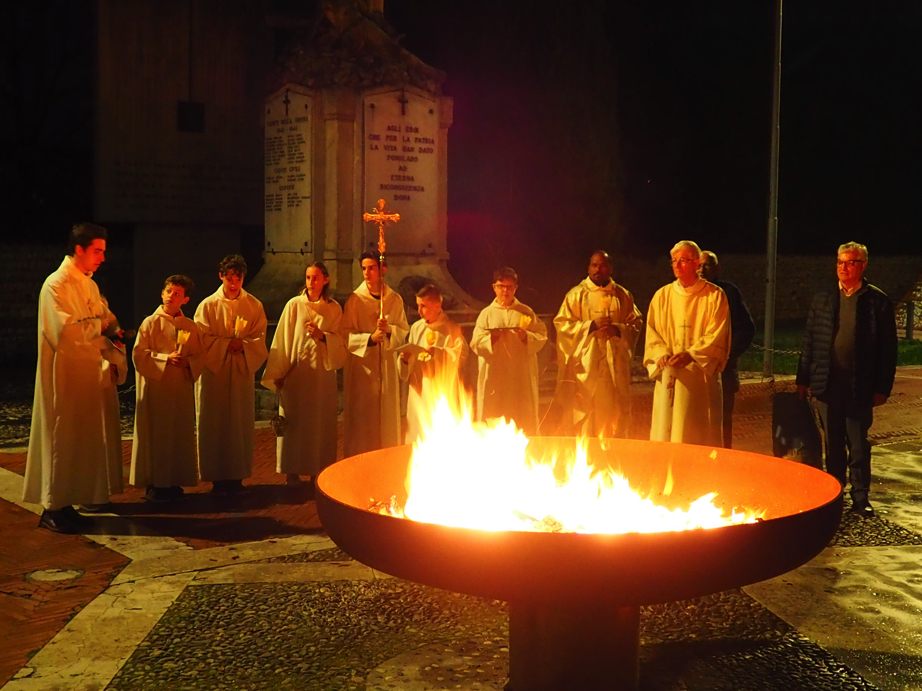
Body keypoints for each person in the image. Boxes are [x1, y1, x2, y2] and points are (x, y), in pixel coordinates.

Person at [796, 242, 897, 518]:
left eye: (850, 262)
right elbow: (810, 340)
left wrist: (882, 387)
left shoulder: (876, 301)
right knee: (833, 444)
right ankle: (835, 494)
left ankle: (861, 497)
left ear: (863, 266)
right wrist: (803, 378)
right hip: (827, 383)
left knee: (858, 445)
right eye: (840, 262)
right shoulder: (824, 298)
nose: (843, 267)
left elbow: (888, 349)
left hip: (860, 386)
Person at [23, 223, 113, 533]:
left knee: (79, 439)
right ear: (79, 249)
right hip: (62, 374)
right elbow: (62, 331)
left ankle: (67, 501)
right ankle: (52, 507)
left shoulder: (88, 284)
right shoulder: (55, 285)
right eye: (97, 251)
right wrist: (97, 327)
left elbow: (100, 317)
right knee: (60, 436)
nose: (102, 257)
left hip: (85, 371)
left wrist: (108, 333)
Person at [262, 262, 347, 486]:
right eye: (308, 277)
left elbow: (341, 341)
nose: (311, 282)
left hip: (321, 377)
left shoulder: (333, 309)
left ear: (326, 280)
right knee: (295, 422)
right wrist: (279, 371)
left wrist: (323, 336)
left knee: (318, 424)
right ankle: (292, 470)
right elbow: (282, 338)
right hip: (296, 376)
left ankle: (317, 469)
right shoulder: (294, 305)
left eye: (316, 278)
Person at [195, 255, 268, 495]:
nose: (233, 283)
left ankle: (236, 476)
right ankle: (216, 477)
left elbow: (259, 337)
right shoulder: (207, 306)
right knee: (214, 422)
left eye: (238, 278)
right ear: (221, 276)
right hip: (214, 372)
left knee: (238, 422)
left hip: (239, 370)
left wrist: (244, 345)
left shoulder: (253, 305)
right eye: (229, 278)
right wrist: (226, 344)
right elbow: (201, 337)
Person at [644, 241, 730, 446]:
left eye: (683, 260)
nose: (677, 265)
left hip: (699, 380)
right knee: (668, 433)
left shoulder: (714, 296)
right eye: (674, 261)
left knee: (698, 436)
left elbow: (717, 333)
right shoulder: (662, 296)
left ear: (696, 263)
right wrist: (661, 353)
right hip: (669, 376)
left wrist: (691, 355)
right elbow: (652, 332)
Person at [553, 251, 643, 439]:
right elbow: (562, 326)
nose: (597, 270)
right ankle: (584, 452)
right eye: (594, 265)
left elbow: (635, 324)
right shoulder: (576, 295)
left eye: (602, 266)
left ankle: (609, 451)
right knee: (585, 416)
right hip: (585, 368)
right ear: (588, 268)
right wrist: (590, 326)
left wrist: (617, 329)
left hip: (612, 369)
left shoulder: (622, 295)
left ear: (610, 269)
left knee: (611, 415)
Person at [131, 275, 204, 502]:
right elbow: (139, 355)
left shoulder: (189, 326)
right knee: (157, 434)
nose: (172, 296)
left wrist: (188, 362)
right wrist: (164, 359)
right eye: (169, 291)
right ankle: (155, 483)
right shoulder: (150, 323)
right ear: (162, 294)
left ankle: (174, 481)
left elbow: (200, 355)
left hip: (180, 388)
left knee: (179, 434)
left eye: (178, 293)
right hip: (157, 388)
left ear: (185, 300)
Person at [341, 251, 409, 457]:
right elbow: (345, 334)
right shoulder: (355, 300)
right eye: (364, 268)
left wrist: (389, 330)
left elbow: (403, 330)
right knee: (363, 421)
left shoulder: (394, 299)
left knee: (386, 420)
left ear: (382, 270)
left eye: (371, 268)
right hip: (363, 368)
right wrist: (369, 339)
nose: (367, 273)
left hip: (386, 365)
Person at [470, 267, 548, 435]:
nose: (505, 291)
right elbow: (475, 343)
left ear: (516, 288)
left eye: (509, 287)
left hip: (520, 374)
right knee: (494, 413)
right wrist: (492, 338)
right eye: (501, 286)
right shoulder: (486, 314)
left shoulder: (525, 312)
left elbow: (542, 335)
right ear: (494, 287)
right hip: (495, 376)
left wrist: (526, 336)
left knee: (521, 415)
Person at [697, 251, 756, 448]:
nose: (702, 270)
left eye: (707, 265)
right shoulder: (688, 294)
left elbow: (746, 329)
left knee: (722, 423)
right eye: (699, 265)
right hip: (694, 374)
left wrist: (726, 353)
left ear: (717, 268)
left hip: (723, 372)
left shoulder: (729, 293)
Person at [398, 284, 468, 445]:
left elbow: (462, 356)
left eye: (423, 306)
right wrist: (405, 359)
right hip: (419, 391)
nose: (419, 311)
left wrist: (438, 352)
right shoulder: (416, 328)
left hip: (440, 390)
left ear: (437, 306)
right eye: (418, 305)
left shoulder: (451, 328)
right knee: (418, 435)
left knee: (439, 434)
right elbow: (409, 359)